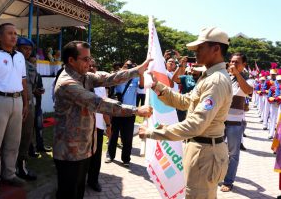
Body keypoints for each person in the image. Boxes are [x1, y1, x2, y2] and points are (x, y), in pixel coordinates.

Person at [139, 27, 232, 198]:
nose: (195, 53)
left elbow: (195, 125)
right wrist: (157, 86)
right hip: (202, 149)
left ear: (216, 49)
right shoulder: (209, 76)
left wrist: (153, 132)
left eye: (200, 48)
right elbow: (186, 101)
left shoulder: (215, 81)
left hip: (204, 152)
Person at [53, 41, 152, 199]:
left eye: (90, 58)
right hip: (69, 153)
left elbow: (109, 78)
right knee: (68, 193)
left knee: (79, 191)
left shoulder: (85, 76)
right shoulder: (67, 83)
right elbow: (98, 103)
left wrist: (137, 71)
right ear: (71, 61)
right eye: (85, 59)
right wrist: (135, 110)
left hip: (84, 149)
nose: (89, 63)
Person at [0, 23, 28, 196]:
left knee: (13, 142)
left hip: (17, 101)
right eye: (9, 33)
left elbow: (23, 81)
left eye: (15, 33)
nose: (14, 36)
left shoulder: (20, 57)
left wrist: (25, 103)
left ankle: (9, 174)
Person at [220, 52, 253, 192]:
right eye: (231, 61)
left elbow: (248, 90)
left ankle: (228, 181)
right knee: (215, 150)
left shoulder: (248, 78)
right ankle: (216, 175)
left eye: (237, 62)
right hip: (220, 121)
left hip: (235, 123)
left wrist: (237, 75)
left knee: (233, 154)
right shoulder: (225, 77)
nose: (233, 64)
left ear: (244, 64)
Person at [105, 59, 144, 167]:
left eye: (131, 65)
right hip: (116, 111)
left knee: (127, 138)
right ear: (123, 66)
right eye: (126, 65)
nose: (128, 66)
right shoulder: (118, 76)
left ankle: (126, 159)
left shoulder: (135, 78)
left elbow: (141, 86)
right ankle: (110, 155)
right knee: (113, 135)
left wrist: (141, 74)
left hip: (129, 112)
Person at [87, 60, 111, 192]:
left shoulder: (101, 87)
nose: (91, 67)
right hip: (82, 127)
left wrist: (108, 125)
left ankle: (93, 180)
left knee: (96, 157)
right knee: (83, 157)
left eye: (94, 65)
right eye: (89, 65)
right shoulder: (80, 83)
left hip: (98, 127)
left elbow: (105, 107)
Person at [16, 37, 38, 181]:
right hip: (15, 102)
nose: (27, 51)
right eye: (24, 48)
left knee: (26, 135)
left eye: (29, 49)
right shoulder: (15, 62)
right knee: (14, 137)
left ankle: (21, 166)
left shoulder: (30, 65)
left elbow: (33, 85)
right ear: (18, 48)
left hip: (28, 104)